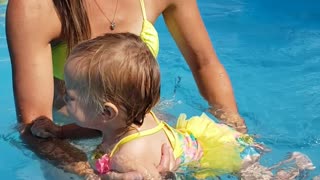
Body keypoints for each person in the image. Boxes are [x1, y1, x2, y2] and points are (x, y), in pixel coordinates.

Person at [33, 33, 315, 179]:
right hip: (208, 137)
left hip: (213, 158)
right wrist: (60, 132)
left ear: (106, 112)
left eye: (70, 96)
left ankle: (290, 173)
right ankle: (291, 168)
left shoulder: (127, 158)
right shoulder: (135, 117)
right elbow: (93, 128)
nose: (65, 98)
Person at [6, 0, 246, 135]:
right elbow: (33, 125)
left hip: (147, 123)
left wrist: (236, 128)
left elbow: (205, 64)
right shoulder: (36, 6)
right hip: (72, 137)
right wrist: (92, 173)